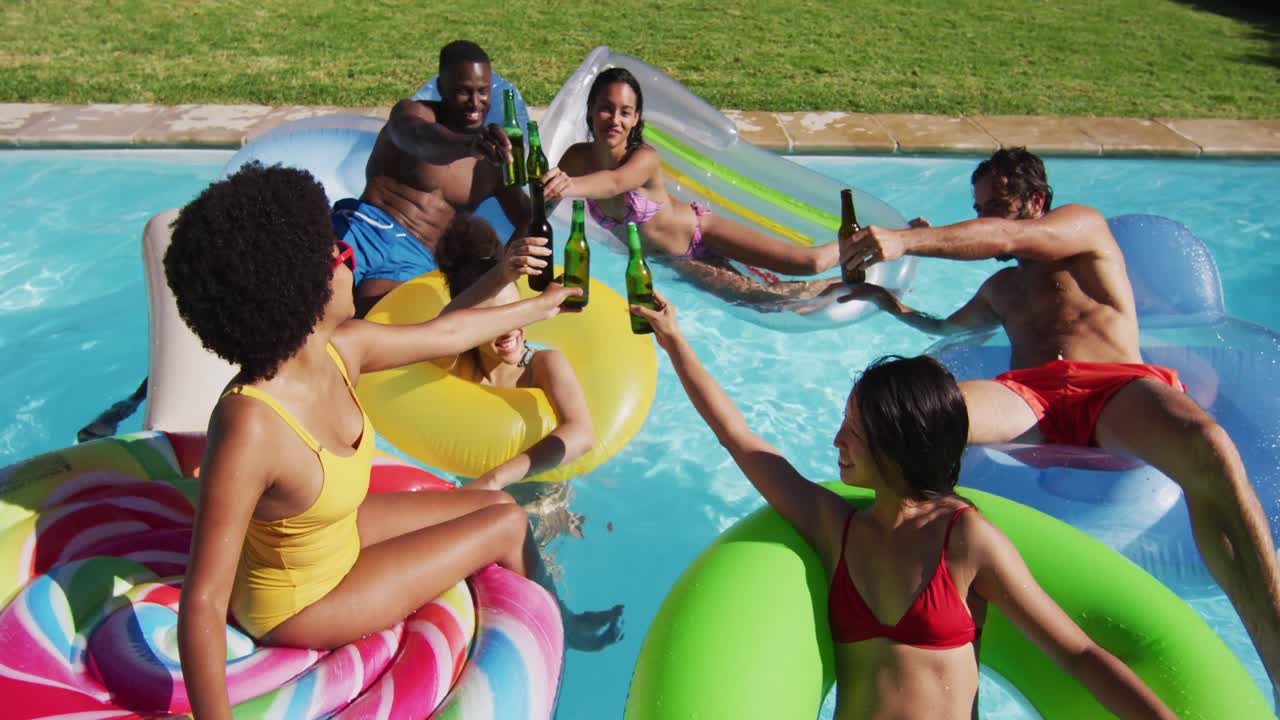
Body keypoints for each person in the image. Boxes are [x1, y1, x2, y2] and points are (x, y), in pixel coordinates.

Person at [839, 146, 1280, 696]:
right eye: (978, 208)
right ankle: (898, 584)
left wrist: (907, 240)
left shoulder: (1083, 228)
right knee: (910, 418)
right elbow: (945, 330)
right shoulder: (1001, 290)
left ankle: (1273, 642)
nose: (985, 217)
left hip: (1115, 384)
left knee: (1208, 442)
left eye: (996, 204)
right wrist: (886, 301)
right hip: (1031, 394)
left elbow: (1005, 238)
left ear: (1037, 200)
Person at [630, 294, 1176, 719]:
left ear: (897, 446)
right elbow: (739, 439)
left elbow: (1077, 654)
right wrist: (675, 341)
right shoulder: (836, 528)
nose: (836, 442)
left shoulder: (966, 540)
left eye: (853, 432)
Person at [169, 163, 583, 719]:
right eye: (338, 255)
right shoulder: (251, 423)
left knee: (495, 503)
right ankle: (557, 651)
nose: (351, 261)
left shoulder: (343, 348)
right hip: (298, 603)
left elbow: (447, 333)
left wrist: (540, 304)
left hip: (336, 533)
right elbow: (203, 600)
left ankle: (550, 623)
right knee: (507, 523)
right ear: (299, 288)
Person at [434, 215, 625, 649]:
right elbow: (440, 330)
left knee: (528, 595)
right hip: (477, 499)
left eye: (515, 311)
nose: (508, 329)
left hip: (540, 500)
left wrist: (496, 478)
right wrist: (500, 274)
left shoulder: (543, 365)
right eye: (492, 319)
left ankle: (566, 625)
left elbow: (582, 434)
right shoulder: (455, 369)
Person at [541, 67, 842, 308]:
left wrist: (568, 185)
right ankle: (848, 285)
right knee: (763, 300)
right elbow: (541, 210)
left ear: (635, 119)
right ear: (591, 110)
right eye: (606, 109)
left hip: (701, 232)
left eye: (625, 112)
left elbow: (614, 182)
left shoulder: (643, 158)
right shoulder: (576, 159)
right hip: (677, 260)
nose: (615, 120)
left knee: (809, 263)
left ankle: (867, 240)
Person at [333, 39, 530, 316]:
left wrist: (500, 273)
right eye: (463, 91)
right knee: (321, 298)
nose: (475, 103)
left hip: (413, 260)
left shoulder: (493, 162)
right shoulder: (412, 115)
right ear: (441, 87)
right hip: (365, 228)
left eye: (483, 92)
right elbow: (423, 141)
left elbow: (528, 218)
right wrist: (469, 145)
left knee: (379, 322)